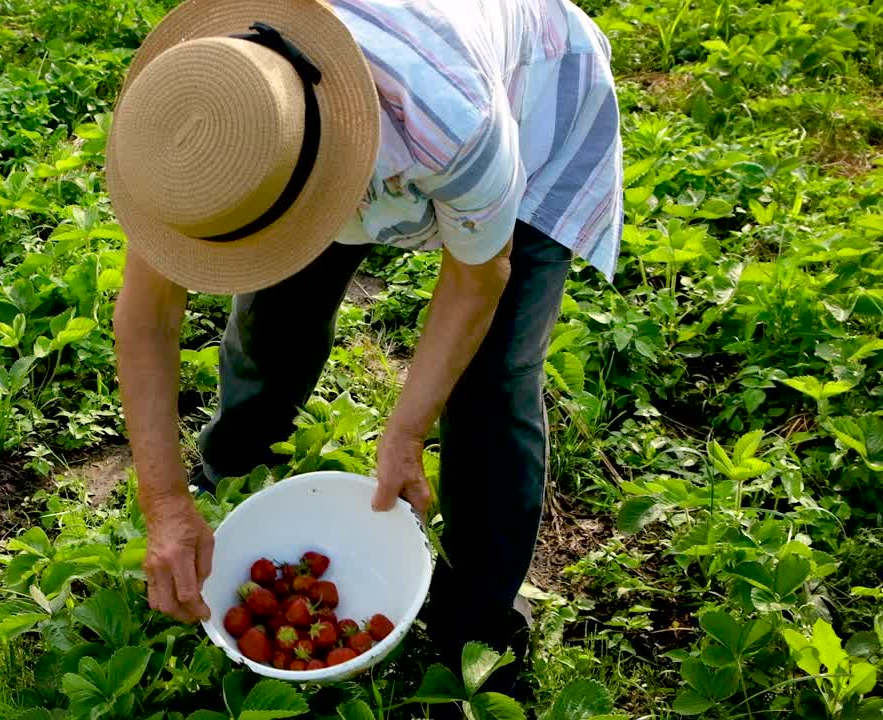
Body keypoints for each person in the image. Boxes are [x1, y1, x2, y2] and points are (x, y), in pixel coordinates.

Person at [106, 0, 622, 696]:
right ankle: (231, 468)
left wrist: (405, 432)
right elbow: (145, 320)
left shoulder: (452, 122)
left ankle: (479, 615)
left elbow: (478, 281)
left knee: (492, 381)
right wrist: (164, 503)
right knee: (273, 311)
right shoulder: (193, 118)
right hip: (315, 131)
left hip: (535, 95)